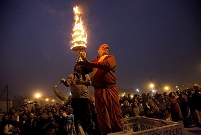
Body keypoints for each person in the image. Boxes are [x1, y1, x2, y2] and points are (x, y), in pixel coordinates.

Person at [79, 43, 124, 135]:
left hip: (110, 89)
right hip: (98, 90)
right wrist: (81, 60)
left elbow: (106, 65)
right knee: (102, 113)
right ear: (98, 51)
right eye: (104, 47)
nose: (106, 48)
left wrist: (88, 62)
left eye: (108, 47)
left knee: (114, 110)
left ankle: (118, 131)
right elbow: (85, 70)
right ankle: (106, 132)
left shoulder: (110, 57)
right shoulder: (96, 61)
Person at [60, 63, 97, 134]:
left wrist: (83, 81)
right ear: (75, 67)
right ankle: (77, 130)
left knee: (85, 114)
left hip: (84, 97)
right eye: (78, 66)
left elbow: (90, 83)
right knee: (77, 114)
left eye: (81, 66)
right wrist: (64, 81)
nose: (79, 67)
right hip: (76, 98)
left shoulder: (86, 75)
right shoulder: (71, 75)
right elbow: (68, 84)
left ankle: (85, 130)